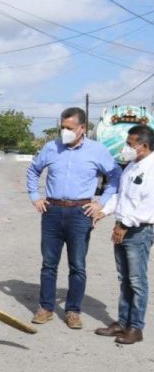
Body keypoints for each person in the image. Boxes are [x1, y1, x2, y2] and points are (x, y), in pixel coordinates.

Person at [27, 107, 121, 329]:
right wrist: (35, 196)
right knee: (49, 264)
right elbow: (33, 171)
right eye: (62, 127)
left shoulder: (97, 151)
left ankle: (73, 311)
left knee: (77, 265)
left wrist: (101, 202)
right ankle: (46, 307)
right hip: (52, 211)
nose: (64, 132)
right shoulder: (51, 148)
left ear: (82, 128)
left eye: (69, 128)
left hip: (80, 213)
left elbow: (116, 175)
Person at [94, 124, 154, 345]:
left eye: (130, 144)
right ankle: (122, 322)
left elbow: (148, 205)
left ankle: (136, 328)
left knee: (137, 281)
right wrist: (103, 210)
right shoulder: (131, 166)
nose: (126, 148)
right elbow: (121, 196)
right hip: (123, 227)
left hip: (139, 230)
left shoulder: (152, 168)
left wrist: (124, 225)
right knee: (125, 279)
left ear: (144, 146)